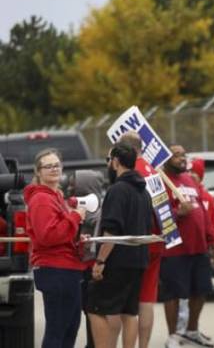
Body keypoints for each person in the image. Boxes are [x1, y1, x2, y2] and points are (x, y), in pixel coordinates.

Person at [86, 143, 153, 348]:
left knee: (95, 307)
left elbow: (111, 231)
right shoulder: (144, 192)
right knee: (129, 312)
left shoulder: (118, 190)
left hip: (117, 262)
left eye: (109, 160)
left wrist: (100, 260)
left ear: (115, 162)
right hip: (139, 260)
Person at [25, 148, 86, 348]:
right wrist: (75, 217)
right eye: (48, 166)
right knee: (57, 331)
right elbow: (48, 236)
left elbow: (60, 232)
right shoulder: (41, 199)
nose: (53, 169)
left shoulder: (56, 196)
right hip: (55, 269)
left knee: (69, 328)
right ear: (38, 172)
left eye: (56, 165)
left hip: (67, 268)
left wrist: (77, 237)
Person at [161, 145, 214, 348]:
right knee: (173, 294)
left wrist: (212, 240)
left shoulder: (189, 180)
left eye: (184, 154)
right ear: (166, 159)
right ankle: (173, 335)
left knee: (201, 290)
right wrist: (179, 213)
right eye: (176, 155)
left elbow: (203, 211)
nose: (182, 158)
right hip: (175, 249)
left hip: (199, 247)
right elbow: (159, 216)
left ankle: (192, 331)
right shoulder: (162, 182)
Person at [118, 131, 167, 348]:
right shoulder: (154, 171)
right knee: (147, 299)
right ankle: (143, 345)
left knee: (127, 302)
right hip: (157, 238)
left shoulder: (129, 171)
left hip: (134, 241)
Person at [70, 169, 105, 348]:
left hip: (91, 266)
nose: (71, 186)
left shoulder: (97, 210)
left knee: (92, 309)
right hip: (82, 266)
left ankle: (94, 344)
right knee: (87, 309)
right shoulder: (78, 206)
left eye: (74, 183)